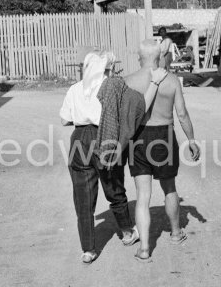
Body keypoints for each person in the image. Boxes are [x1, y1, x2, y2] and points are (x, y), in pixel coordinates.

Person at [60, 50, 167, 264]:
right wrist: (154, 84)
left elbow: (64, 120)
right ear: (108, 68)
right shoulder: (114, 86)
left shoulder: (74, 89)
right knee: (114, 188)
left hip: (79, 139)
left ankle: (88, 250)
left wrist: (83, 116)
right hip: (105, 138)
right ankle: (127, 232)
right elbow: (139, 108)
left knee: (83, 198)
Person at [124, 39, 201, 263]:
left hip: (138, 138)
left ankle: (145, 249)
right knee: (169, 187)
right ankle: (176, 233)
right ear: (159, 57)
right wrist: (192, 140)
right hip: (164, 136)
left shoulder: (128, 81)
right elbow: (182, 114)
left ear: (139, 57)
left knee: (142, 195)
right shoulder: (172, 80)